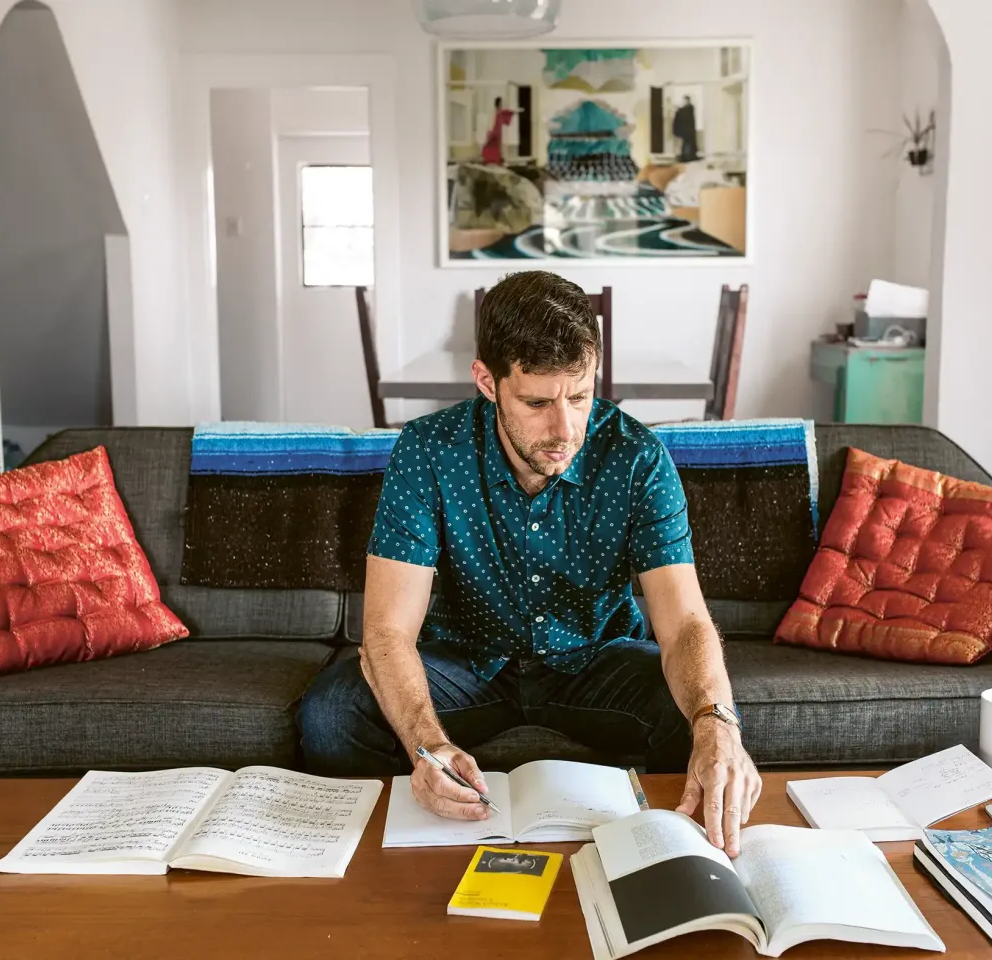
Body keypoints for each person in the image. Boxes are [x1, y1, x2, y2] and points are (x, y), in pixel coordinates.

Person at [299, 270, 760, 857]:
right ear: (488, 381)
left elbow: (686, 624)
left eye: (580, 396)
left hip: (597, 658)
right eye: (538, 402)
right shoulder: (427, 451)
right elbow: (387, 631)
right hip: (465, 662)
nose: (566, 429)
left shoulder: (639, 458)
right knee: (334, 710)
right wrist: (425, 746)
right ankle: (372, 870)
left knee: (702, 711)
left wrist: (716, 721)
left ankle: (676, 861)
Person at [481, 96, 515, 165]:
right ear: (498, 104)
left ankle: (496, 160)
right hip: (494, 132)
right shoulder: (494, 112)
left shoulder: (500, 112)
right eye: (501, 103)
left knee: (497, 147)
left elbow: (506, 115)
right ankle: (490, 159)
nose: (502, 105)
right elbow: (490, 123)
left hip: (498, 133)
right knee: (491, 146)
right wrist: (490, 132)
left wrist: (512, 113)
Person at [672, 95, 699, 162]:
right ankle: (687, 156)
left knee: (687, 144)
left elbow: (686, 117)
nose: (685, 102)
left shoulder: (689, 109)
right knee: (686, 144)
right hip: (686, 131)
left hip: (688, 131)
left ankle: (687, 156)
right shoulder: (687, 109)